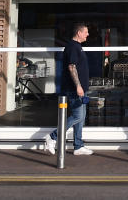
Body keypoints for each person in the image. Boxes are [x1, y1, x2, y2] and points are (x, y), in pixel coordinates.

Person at [44, 22, 94, 156]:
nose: (88, 34)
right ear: (79, 33)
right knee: (78, 116)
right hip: (74, 89)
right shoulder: (72, 47)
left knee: (81, 118)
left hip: (81, 88)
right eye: (86, 32)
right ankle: (52, 137)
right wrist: (78, 86)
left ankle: (78, 146)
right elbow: (72, 67)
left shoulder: (78, 47)